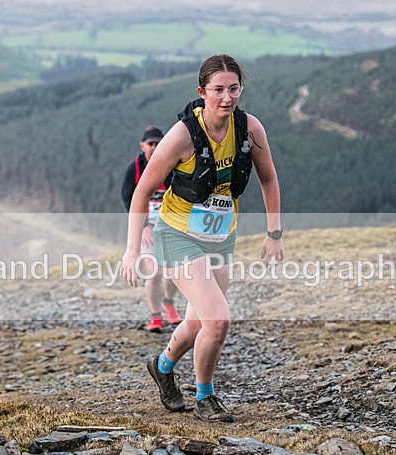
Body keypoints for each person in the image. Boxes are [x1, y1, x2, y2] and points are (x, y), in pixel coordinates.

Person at [120, 54, 283, 422]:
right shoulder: (181, 137)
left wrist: (274, 233)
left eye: (234, 89)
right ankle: (205, 396)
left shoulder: (251, 129)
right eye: (218, 90)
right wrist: (131, 250)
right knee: (219, 320)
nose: (227, 98)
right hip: (176, 235)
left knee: (197, 323)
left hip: (220, 238)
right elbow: (141, 192)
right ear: (202, 91)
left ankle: (161, 367)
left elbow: (268, 179)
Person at [121, 125, 183, 332]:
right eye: (151, 144)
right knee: (154, 272)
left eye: (158, 143)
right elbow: (128, 199)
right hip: (146, 229)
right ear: (142, 146)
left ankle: (169, 303)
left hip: (171, 227)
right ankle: (156, 317)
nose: (155, 147)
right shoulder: (135, 168)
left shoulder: (172, 164)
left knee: (174, 272)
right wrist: (144, 226)